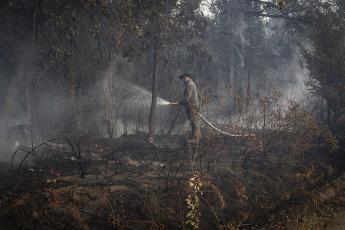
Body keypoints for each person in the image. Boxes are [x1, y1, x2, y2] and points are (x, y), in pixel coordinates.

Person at [175, 73, 201, 142]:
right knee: (194, 121)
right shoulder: (190, 84)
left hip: (192, 106)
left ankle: (195, 138)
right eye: (182, 78)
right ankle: (197, 136)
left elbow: (187, 97)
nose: (183, 79)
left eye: (184, 77)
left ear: (189, 77)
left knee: (193, 121)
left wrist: (179, 102)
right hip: (192, 105)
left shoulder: (190, 84)